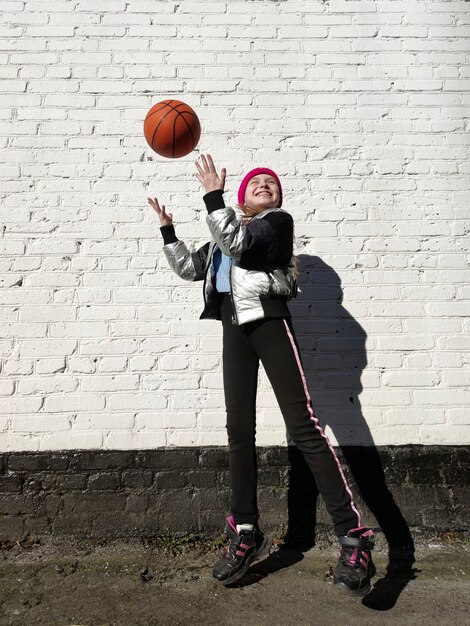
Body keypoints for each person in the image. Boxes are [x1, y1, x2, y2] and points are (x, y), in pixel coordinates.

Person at [148, 154, 376, 595]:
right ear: (242, 196)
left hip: (269, 322)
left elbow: (238, 244)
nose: (265, 185)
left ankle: (354, 539)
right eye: (257, 183)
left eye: (271, 182)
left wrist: (212, 197)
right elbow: (191, 269)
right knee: (239, 432)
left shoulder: (275, 225)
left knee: (304, 428)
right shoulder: (222, 239)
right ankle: (245, 532)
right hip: (234, 329)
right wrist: (168, 231)